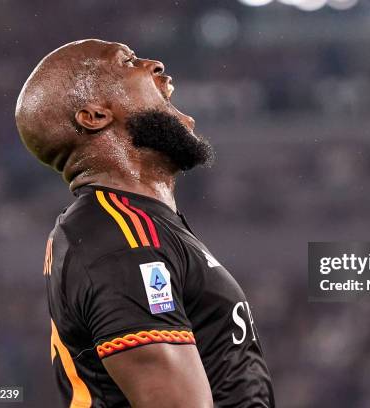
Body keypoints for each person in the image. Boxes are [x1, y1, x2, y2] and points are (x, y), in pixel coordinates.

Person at [15, 39, 274, 407]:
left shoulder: (133, 225)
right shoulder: (121, 237)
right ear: (95, 116)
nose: (155, 65)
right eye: (129, 61)